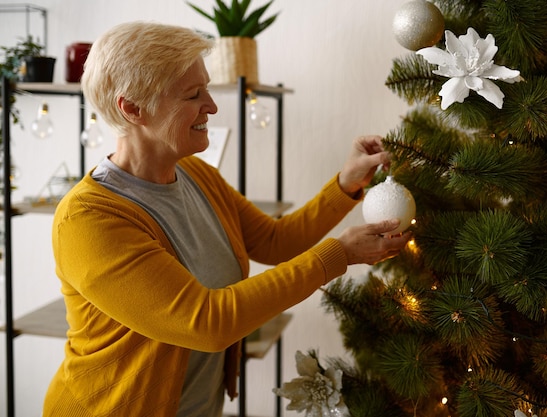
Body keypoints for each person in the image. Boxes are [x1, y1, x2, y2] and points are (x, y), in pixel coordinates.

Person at [42, 21, 412, 417]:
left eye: (207, 88)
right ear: (132, 108)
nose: (213, 106)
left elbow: (273, 242)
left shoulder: (197, 176)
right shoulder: (88, 221)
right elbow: (206, 322)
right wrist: (337, 254)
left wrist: (345, 183)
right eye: (193, 95)